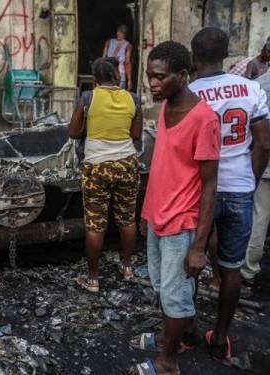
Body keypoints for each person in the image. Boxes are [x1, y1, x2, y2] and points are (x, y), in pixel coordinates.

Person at [130, 41, 220, 375]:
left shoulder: (204, 119)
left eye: (160, 77)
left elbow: (210, 184)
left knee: (173, 294)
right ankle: (183, 335)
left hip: (182, 223)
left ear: (183, 75)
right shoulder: (165, 106)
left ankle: (168, 362)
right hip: (159, 214)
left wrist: (199, 245)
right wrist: (146, 211)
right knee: (165, 287)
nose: (152, 83)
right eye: (150, 77)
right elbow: (164, 165)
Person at [190, 27, 270, 361]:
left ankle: (186, 331)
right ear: (226, 54)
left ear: (193, 57)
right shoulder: (252, 89)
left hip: (199, 189)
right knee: (233, 268)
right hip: (239, 187)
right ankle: (221, 337)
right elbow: (264, 143)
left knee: (190, 261)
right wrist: (248, 181)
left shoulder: (190, 93)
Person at [69, 57, 142, 292]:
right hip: (127, 164)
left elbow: (73, 131)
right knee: (127, 219)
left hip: (96, 167)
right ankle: (128, 266)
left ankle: (92, 279)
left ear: (95, 78)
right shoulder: (133, 98)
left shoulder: (88, 97)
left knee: (95, 224)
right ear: (116, 76)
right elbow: (137, 133)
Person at [241, 70, 270, 288]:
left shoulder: (257, 86)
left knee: (259, 216)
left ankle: (248, 270)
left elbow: (260, 141)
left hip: (264, 164)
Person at [102, 25, 133, 90]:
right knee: (119, 96)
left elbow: (103, 58)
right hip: (120, 74)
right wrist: (129, 80)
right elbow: (127, 63)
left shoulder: (109, 42)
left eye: (120, 32)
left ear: (125, 34)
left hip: (107, 73)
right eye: (118, 32)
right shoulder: (128, 45)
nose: (118, 34)